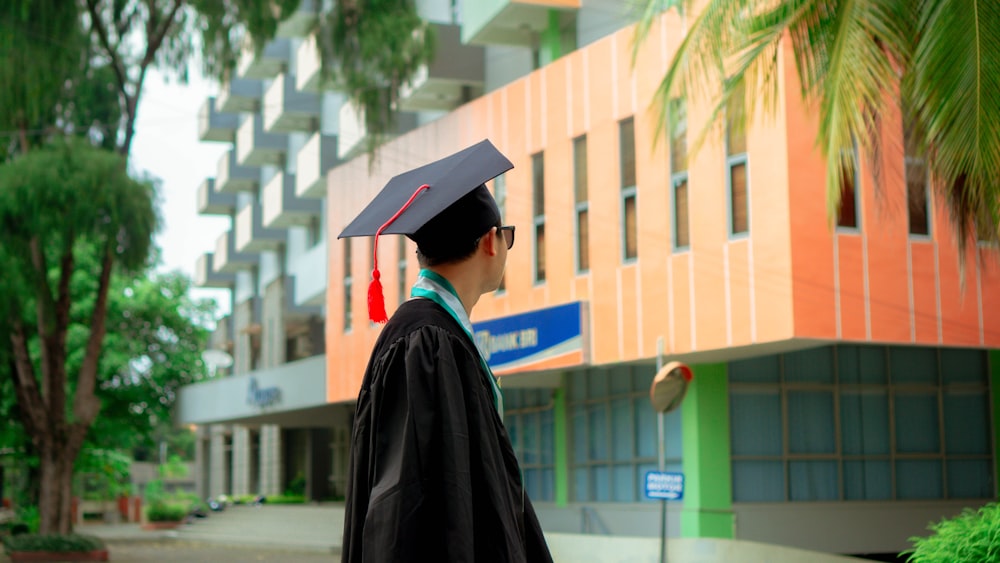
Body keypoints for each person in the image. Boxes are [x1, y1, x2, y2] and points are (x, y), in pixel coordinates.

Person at [338, 140, 553, 562]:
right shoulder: (425, 343)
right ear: (492, 241)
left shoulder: (436, 335)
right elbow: (404, 505)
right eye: (507, 236)